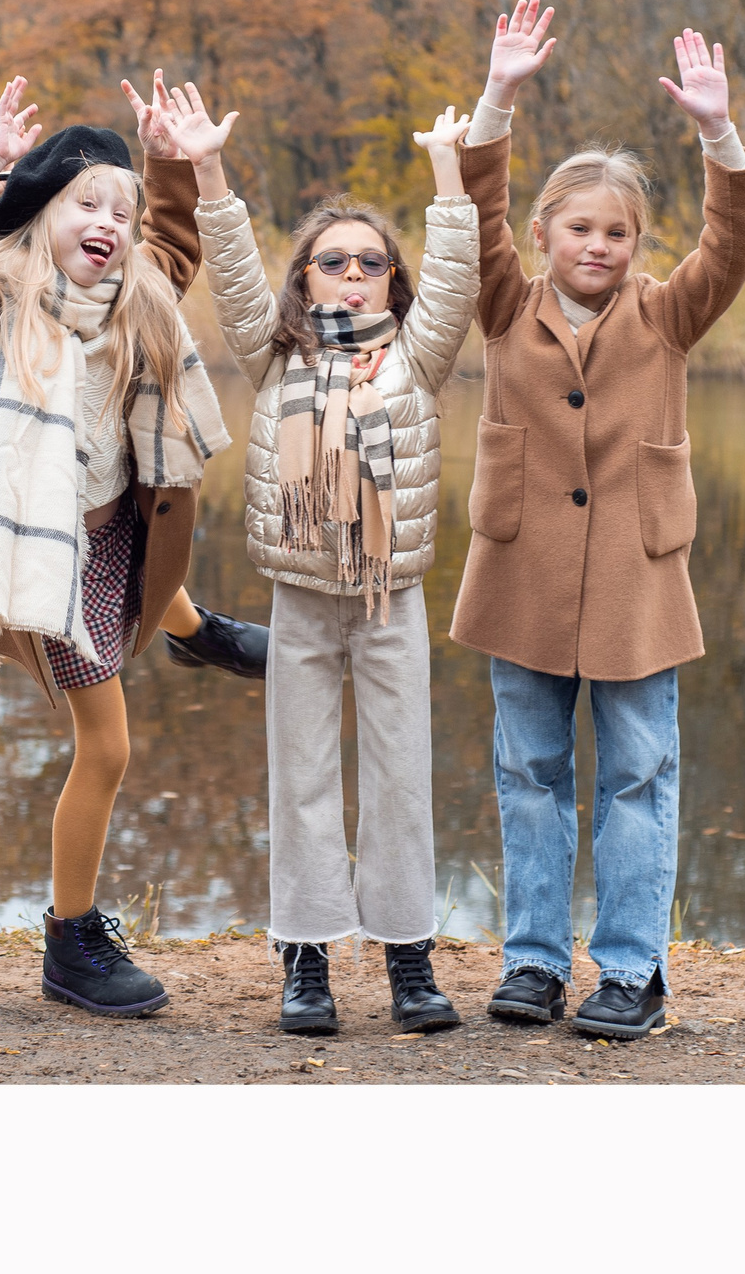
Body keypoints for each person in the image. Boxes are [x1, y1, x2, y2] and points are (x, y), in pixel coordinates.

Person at [451, 4, 745, 1040]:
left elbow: (736, 237)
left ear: (639, 244)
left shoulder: (668, 314)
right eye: (578, 227)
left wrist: (718, 135)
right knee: (528, 774)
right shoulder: (502, 303)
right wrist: (496, 97)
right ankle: (534, 962)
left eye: (617, 231)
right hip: (520, 575)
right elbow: (474, 202)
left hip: (635, 577)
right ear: (543, 235)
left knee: (637, 774)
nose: (597, 245)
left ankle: (629, 969)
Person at [179, 77, 491, 1035]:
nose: (351, 275)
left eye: (368, 263)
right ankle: (306, 963)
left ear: (392, 280)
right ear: (305, 279)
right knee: (303, 779)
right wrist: (208, 167)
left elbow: (457, 277)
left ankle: (408, 961)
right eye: (330, 262)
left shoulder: (418, 357)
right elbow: (230, 272)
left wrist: (447, 169)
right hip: (302, 600)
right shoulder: (277, 357)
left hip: (390, 601)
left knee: (399, 778)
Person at [0, 76, 230, 1017]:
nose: (111, 222)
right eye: (86, 203)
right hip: (45, 559)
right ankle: (71, 940)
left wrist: (168, 158)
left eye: (121, 211)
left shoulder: (136, 299)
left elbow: (176, 243)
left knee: (142, 612)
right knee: (108, 746)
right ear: (41, 216)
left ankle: (191, 623)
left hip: (119, 534)